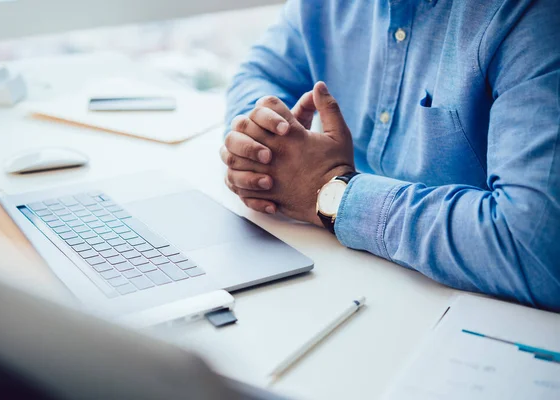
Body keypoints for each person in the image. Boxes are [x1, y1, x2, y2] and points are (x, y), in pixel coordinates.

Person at [220, 0, 560, 311]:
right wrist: (263, 149)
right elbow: (258, 76)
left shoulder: (531, 15)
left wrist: (332, 192)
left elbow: (535, 250)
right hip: (332, 276)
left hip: (465, 312)